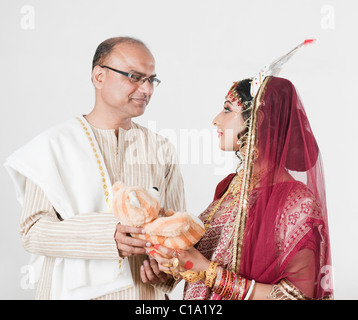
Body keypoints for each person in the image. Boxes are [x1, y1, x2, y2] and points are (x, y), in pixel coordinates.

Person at [4, 36, 185, 300]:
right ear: (99, 76)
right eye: (135, 76)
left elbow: (175, 231)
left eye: (151, 79)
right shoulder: (54, 145)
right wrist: (107, 234)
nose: (146, 89)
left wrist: (168, 271)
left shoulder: (161, 148)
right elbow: (33, 232)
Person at [152, 41, 333, 300]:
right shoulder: (229, 187)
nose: (216, 119)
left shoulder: (297, 203)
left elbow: (297, 298)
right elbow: (204, 262)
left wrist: (209, 273)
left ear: (257, 121)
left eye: (227, 109)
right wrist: (171, 265)